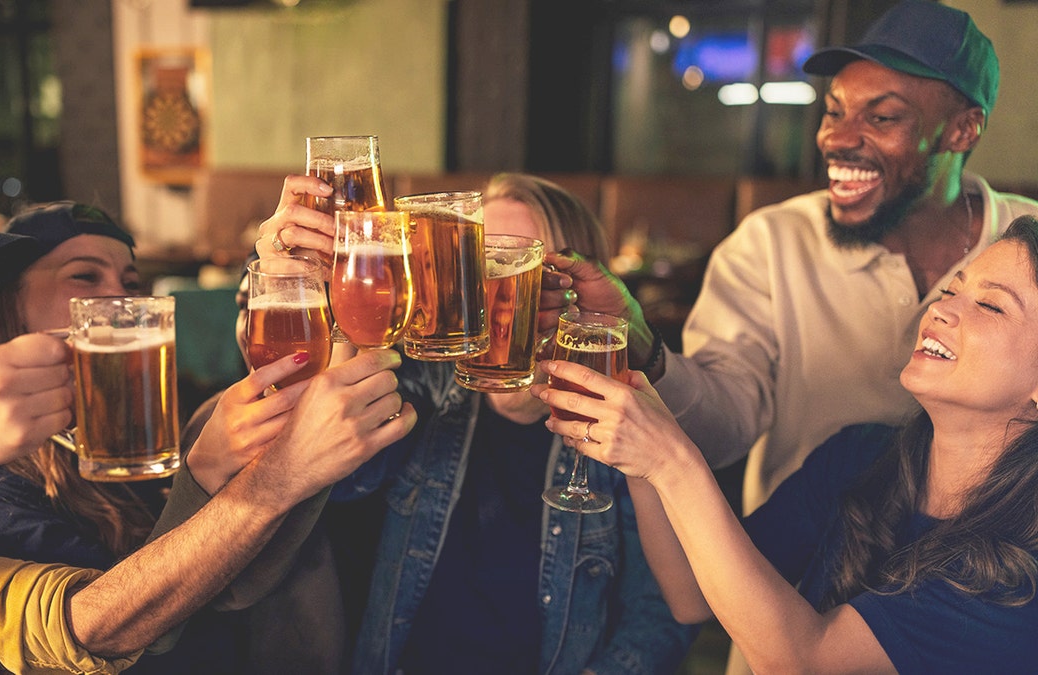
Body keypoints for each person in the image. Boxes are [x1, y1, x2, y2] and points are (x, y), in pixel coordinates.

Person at [0, 159, 417, 673]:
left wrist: (293, 280)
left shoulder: (143, 417)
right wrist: (269, 479)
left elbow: (234, 587)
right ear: (7, 305)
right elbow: (104, 627)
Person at [552, 0, 1038, 517]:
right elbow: (721, 431)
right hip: (796, 557)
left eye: (883, 116)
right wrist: (642, 341)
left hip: (985, 561)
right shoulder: (768, 242)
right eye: (834, 111)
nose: (835, 138)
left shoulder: (1025, 246)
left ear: (963, 130)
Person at [539, 213, 1038, 673]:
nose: (943, 309)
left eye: (991, 304)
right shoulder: (859, 458)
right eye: (952, 289)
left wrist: (671, 458)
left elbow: (805, 661)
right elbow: (693, 597)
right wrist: (641, 453)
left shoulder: (1023, 573)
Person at [284, 173, 693, 674]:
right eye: (477, 264)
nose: (494, 292)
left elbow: (667, 615)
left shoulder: (620, 430)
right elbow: (338, 483)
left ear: (573, 287)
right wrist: (341, 288)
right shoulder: (431, 391)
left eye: (519, 262)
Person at [0, 201, 317, 672]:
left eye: (131, 284)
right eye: (85, 278)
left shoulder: (142, 436)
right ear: (8, 306)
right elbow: (129, 636)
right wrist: (212, 473)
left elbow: (236, 584)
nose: (120, 298)